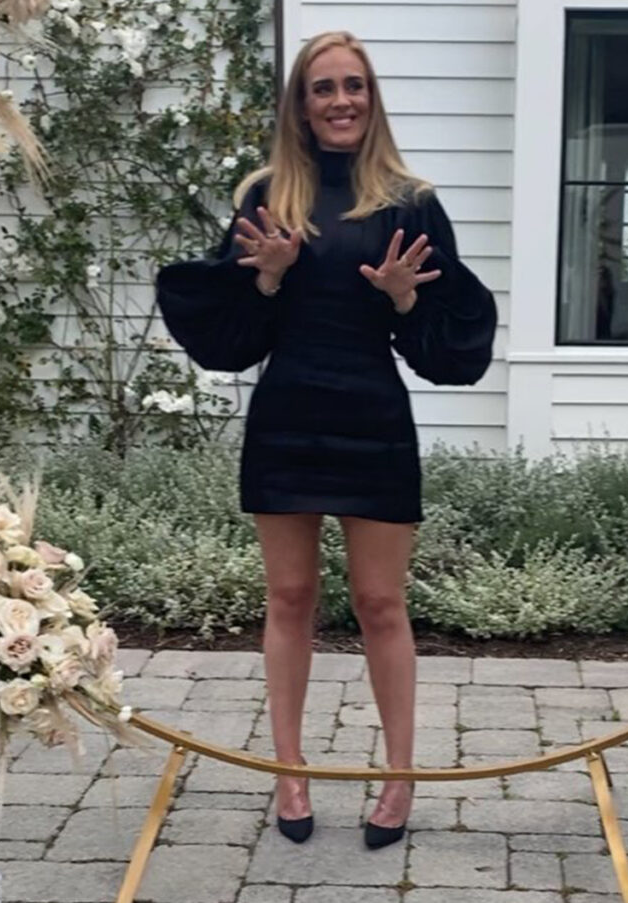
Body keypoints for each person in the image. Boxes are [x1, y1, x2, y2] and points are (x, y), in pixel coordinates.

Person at [156, 30, 497, 849]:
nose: (341, 100)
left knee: (382, 603)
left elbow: (451, 351)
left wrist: (406, 299)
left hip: (373, 415)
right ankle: (290, 769)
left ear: (371, 98)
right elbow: (230, 340)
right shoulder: (268, 194)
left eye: (354, 85)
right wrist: (268, 277)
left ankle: (400, 775)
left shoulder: (411, 201)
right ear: (301, 106)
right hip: (288, 415)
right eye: (323, 87)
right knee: (289, 597)